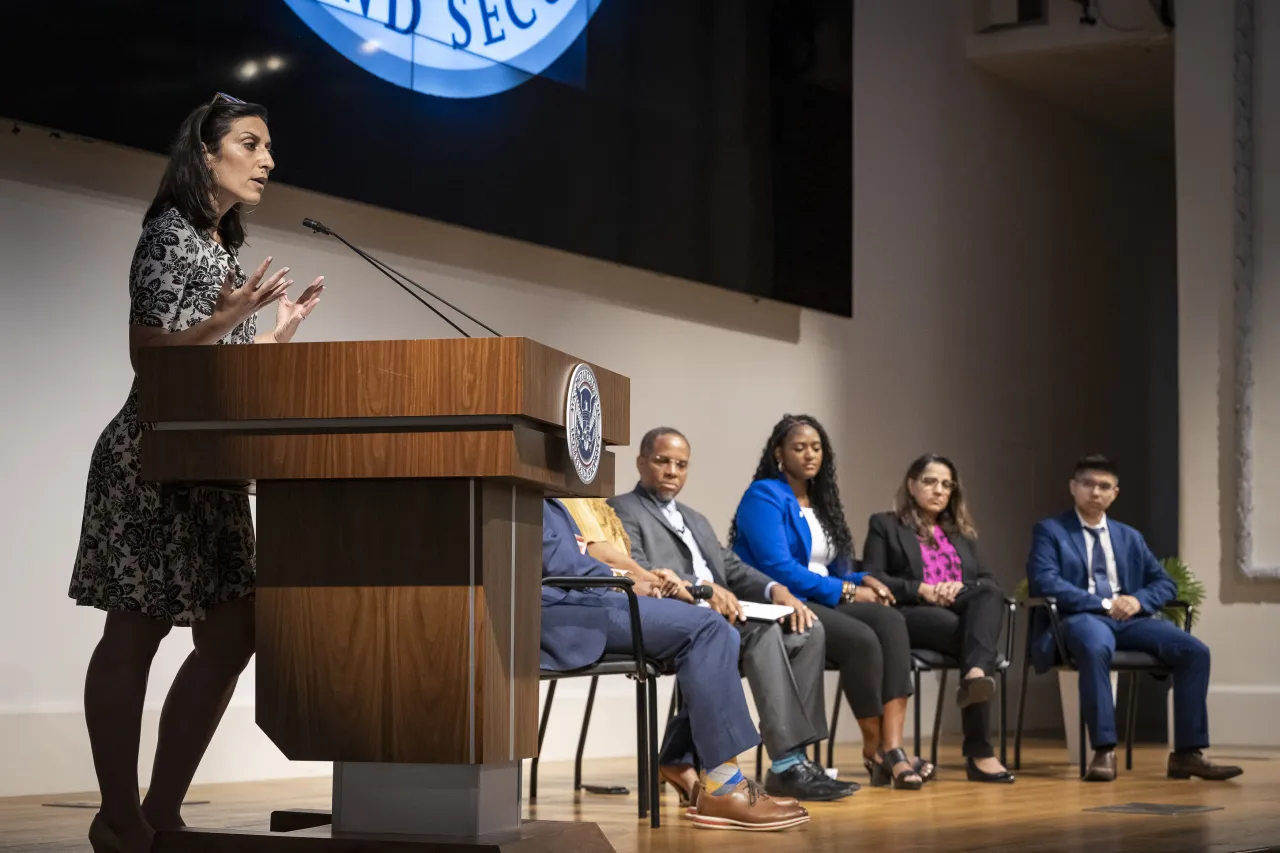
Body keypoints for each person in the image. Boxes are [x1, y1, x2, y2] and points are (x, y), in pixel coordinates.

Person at [68, 93, 325, 853]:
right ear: (207, 154)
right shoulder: (167, 236)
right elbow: (152, 358)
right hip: (152, 459)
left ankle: (163, 806)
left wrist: (275, 335)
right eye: (252, 143)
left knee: (232, 635)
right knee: (136, 631)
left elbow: (221, 372)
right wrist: (223, 320)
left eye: (269, 146)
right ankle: (119, 815)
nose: (268, 159)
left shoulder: (220, 250)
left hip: (209, 468)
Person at [609, 427, 856, 802]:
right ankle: (786, 764)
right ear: (642, 462)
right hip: (679, 618)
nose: (672, 471)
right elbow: (642, 569)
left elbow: (731, 565)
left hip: (727, 616)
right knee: (762, 633)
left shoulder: (695, 518)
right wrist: (705, 591)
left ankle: (793, 759)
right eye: (662, 461)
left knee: (807, 629)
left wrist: (778, 590)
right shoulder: (623, 510)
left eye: (681, 464)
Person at [540, 499, 811, 830]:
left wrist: (634, 577)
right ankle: (723, 787)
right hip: (569, 608)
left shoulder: (548, 495)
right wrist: (623, 580)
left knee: (712, 628)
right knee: (709, 629)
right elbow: (560, 564)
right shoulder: (523, 490)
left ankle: (691, 767)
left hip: (591, 598)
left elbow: (587, 552)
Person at [730, 414, 928, 790]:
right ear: (779, 452)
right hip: (783, 599)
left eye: (816, 448)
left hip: (821, 594)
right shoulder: (765, 495)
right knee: (860, 638)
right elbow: (779, 567)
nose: (809, 455)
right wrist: (848, 592)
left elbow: (829, 569)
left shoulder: (821, 501)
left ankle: (893, 745)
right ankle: (874, 747)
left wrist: (860, 578)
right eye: (799, 447)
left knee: (891, 621)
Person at [1026, 454, 1243, 782]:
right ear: (1073, 487)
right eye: (1087, 484)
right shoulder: (1051, 530)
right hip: (1081, 617)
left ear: (1115, 493)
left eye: (1104, 486)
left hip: (1129, 620)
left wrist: (1137, 601)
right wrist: (1102, 603)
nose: (1095, 492)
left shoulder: (1129, 536)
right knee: (1096, 644)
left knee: (1194, 651)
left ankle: (1187, 754)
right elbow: (1045, 581)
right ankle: (1104, 751)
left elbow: (1164, 583)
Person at [862, 454, 1014, 783]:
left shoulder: (962, 535)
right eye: (930, 481)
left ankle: (974, 675)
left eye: (946, 484)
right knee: (979, 645)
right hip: (911, 615)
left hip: (960, 612)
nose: (939, 490)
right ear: (911, 485)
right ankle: (980, 752)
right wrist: (922, 589)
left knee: (989, 594)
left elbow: (988, 582)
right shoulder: (885, 524)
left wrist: (960, 587)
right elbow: (872, 576)